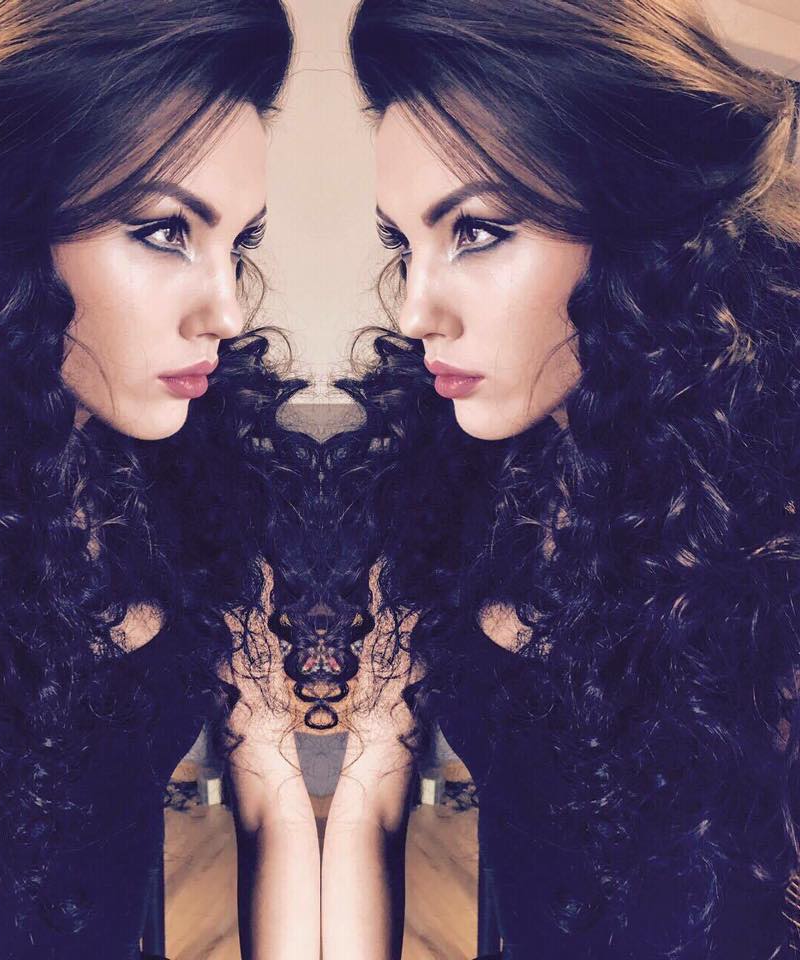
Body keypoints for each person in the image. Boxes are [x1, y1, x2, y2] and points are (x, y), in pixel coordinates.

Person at [318, 0, 800, 957]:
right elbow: (363, 796)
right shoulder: (449, 477)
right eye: (403, 244)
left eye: (478, 230)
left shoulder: (770, 521)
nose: (416, 311)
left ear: (635, 231)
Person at [0, 1, 320, 958]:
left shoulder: (196, 479)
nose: (225, 310)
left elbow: (277, 798)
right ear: (5, 233)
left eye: (239, 244)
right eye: (164, 230)